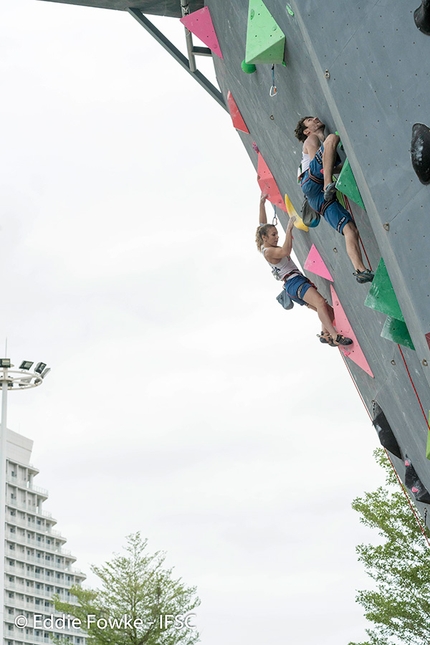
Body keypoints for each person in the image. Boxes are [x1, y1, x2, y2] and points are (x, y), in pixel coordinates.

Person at [257, 193, 352, 346]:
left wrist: (262, 204)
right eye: (273, 235)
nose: (277, 237)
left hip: (293, 286)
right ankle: (335, 337)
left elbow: (262, 224)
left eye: (277, 234)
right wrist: (288, 230)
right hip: (294, 283)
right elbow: (285, 252)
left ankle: (325, 334)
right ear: (264, 237)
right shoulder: (268, 252)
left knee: (328, 311)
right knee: (321, 302)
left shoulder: (264, 244)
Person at [294, 116, 374, 284]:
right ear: (306, 131)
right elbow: (321, 166)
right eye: (309, 120)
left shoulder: (325, 149)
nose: (315, 118)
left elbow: (327, 165)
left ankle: (360, 270)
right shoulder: (312, 138)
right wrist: (327, 181)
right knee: (332, 138)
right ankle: (328, 185)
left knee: (350, 229)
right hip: (313, 183)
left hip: (316, 198)